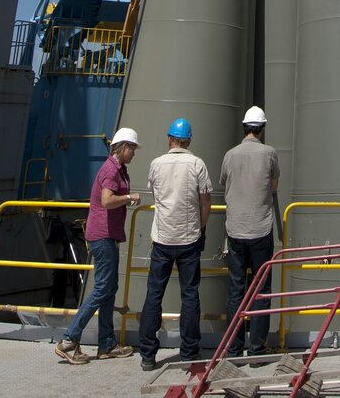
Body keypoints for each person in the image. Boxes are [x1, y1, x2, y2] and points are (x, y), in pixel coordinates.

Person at [56, 128, 142, 364]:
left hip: (107, 235)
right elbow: (106, 200)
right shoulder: (111, 170)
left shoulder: (118, 169)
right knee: (102, 288)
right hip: (102, 236)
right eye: (132, 148)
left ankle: (106, 344)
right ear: (123, 147)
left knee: (109, 288)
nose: (134, 153)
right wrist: (129, 197)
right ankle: (68, 339)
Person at [138, 117, 212, 371]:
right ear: (188, 140)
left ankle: (148, 355)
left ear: (170, 138)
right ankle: (189, 353)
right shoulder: (197, 164)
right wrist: (202, 230)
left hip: (162, 238)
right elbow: (205, 202)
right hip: (189, 238)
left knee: (153, 295)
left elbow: (156, 195)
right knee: (189, 295)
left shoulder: (156, 164)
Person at [220, 107, 280, 357]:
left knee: (236, 290)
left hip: (235, 230)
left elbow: (225, 182)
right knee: (261, 289)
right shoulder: (269, 154)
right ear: (262, 128)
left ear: (244, 127)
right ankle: (256, 348)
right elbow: (274, 186)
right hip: (260, 228)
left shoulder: (230, 154)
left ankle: (233, 348)